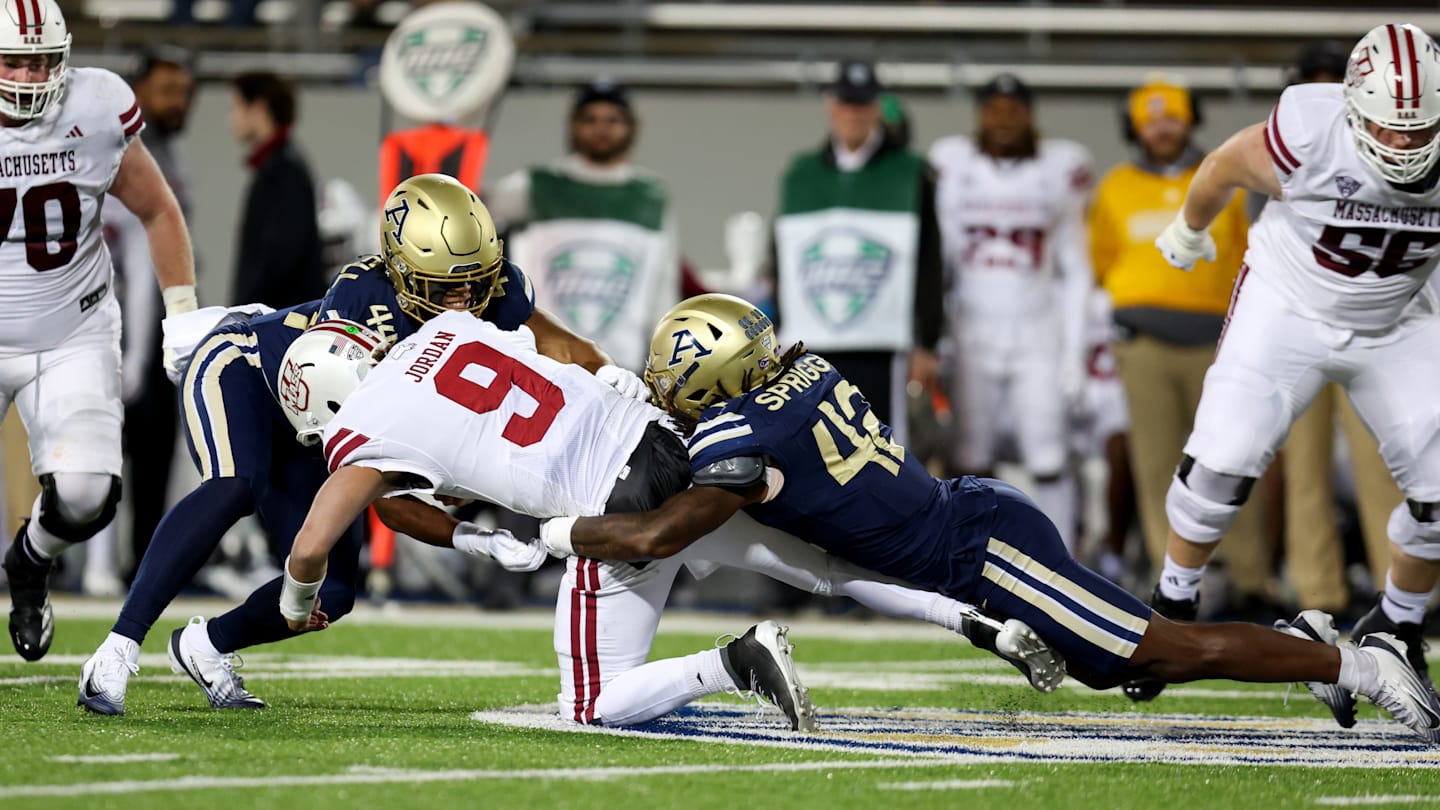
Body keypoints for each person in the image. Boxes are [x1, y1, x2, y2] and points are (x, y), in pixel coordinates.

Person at [536, 293, 1440, 742]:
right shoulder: (800, 375)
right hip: (974, 526)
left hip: (986, 553)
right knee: (1125, 668)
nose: (676, 408)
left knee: (1162, 653)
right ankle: (1306, 635)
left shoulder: (739, 438)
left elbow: (660, 536)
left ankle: (1354, 658)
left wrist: (550, 532)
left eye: (682, 392)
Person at [278, 310, 1063, 730]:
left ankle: (734, 664)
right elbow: (545, 348)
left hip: (610, 506)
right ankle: (980, 624)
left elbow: (315, 542)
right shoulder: (445, 332)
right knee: (818, 566)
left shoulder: (361, 434)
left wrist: (295, 603)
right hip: (664, 441)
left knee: (590, 704)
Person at [76, 174, 611, 714]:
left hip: (322, 429)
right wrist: (468, 534)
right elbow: (377, 488)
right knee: (236, 486)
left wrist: (616, 385)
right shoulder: (362, 309)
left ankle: (205, 646)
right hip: (251, 374)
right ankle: (115, 650)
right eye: (447, 286)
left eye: (478, 281)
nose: (466, 299)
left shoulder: (494, 293)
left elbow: (567, 347)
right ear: (400, 273)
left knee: (332, 594)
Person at [1143, 23, 1440, 709]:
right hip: (1288, 305)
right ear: (1352, 106)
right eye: (1385, 128)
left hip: (1395, 320)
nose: (1400, 143)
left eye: (1417, 130)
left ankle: (1397, 625)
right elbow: (1222, 165)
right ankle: (1170, 607)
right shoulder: (1311, 126)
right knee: (1223, 457)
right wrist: (1190, 229)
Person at [1, 0, 198, 662]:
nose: (29, 79)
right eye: (13, 62)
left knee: (87, 496)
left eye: (41, 63)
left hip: (71, 332)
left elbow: (158, 210)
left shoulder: (95, 105)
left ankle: (29, 564)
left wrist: (184, 314)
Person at [1088, 75, 1273, 634]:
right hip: (1142, 345)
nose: (1163, 127)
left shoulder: (1227, 174)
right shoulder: (1115, 186)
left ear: (1191, 120)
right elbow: (1101, 260)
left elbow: (1255, 251)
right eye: (1151, 117)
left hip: (1220, 340)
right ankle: (1174, 587)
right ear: (1134, 125)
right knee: (1156, 467)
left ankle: (1251, 580)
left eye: (1172, 116)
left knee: (1232, 458)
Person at [929, 73, 1093, 547]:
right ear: (979, 116)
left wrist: (1074, 352)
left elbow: (1075, 268)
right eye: (993, 109)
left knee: (1048, 452)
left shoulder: (1059, 168)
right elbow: (940, 264)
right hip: (971, 329)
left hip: (1037, 329)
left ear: (1030, 115)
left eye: (1013, 110)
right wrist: (935, 333)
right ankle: (978, 557)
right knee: (970, 452)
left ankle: (1064, 564)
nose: (1003, 120)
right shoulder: (951, 163)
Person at [1270, 40, 1403, 616]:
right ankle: (1318, 594)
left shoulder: (1398, 146)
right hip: (1302, 323)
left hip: (1374, 324)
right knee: (1305, 468)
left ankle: (1397, 591)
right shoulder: (1281, 148)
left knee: (1386, 462)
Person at [771, 60, 943, 446]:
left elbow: (931, 261)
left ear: (878, 107)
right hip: (809, 343)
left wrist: (927, 341)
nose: (854, 113)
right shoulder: (801, 173)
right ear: (831, 105)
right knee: (810, 447)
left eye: (863, 104)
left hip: (882, 343)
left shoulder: (910, 171)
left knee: (881, 448)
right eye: (847, 103)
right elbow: (783, 257)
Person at [487, 79, 679, 374]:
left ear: (631, 126)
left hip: (621, 363)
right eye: (590, 119)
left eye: (612, 120)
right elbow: (475, 212)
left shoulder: (651, 195)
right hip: (545, 357)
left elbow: (663, 281)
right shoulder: (537, 185)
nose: (601, 128)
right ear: (573, 124)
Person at [103, 48, 197, 580]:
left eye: (184, 92)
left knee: (157, 456)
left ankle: (144, 567)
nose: (177, 103)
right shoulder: (118, 150)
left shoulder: (169, 154)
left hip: (157, 326)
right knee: (95, 462)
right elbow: (135, 263)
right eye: (167, 91)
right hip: (106, 327)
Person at [227, 71, 326, 310]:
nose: (231, 118)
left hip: (278, 322)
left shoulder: (284, 170)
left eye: (237, 106)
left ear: (259, 108)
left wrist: (245, 315)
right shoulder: (278, 165)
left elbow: (279, 258)